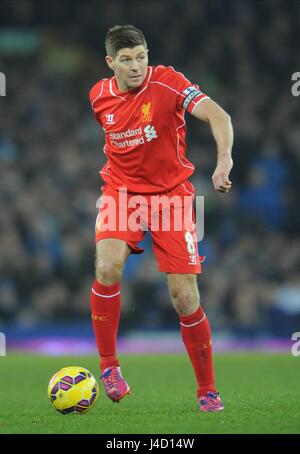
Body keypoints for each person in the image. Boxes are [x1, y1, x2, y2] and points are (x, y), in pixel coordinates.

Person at [89, 25, 233, 412]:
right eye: (126, 60)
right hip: (121, 193)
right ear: (110, 63)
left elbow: (218, 115)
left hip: (173, 197)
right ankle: (109, 367)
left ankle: (207, 390)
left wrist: (223, 160)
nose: (136, 66)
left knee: (184, 297)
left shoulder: (169, 82)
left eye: (141, 56)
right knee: (107, 267)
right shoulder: (98, 96)